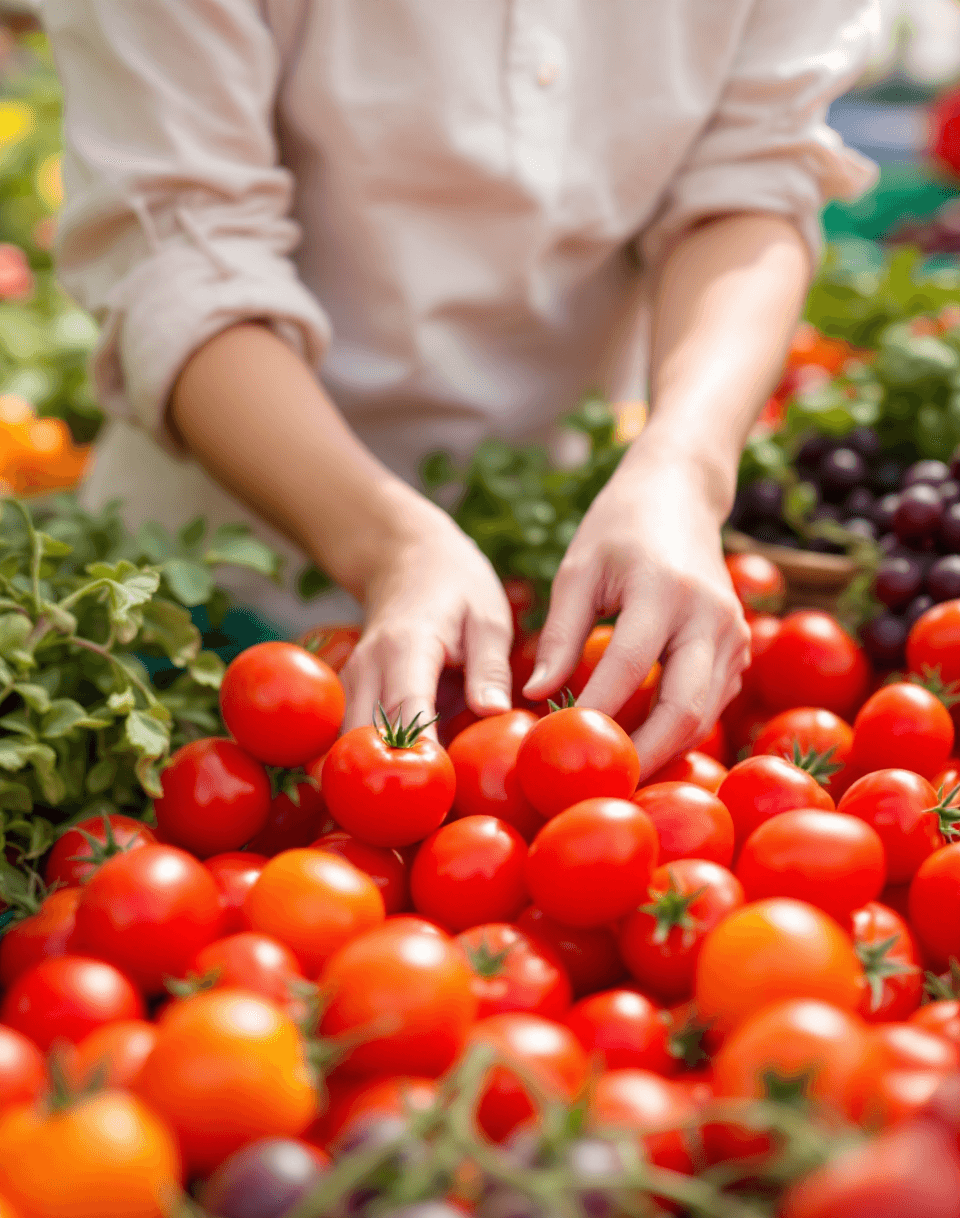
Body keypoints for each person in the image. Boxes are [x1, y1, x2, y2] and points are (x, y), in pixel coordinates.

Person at [43, 0, 878, 774]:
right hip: (203, 599)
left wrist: (682, 469)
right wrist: (389, 545)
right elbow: (180, 253)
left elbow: (751, 181)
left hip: (557, 577)